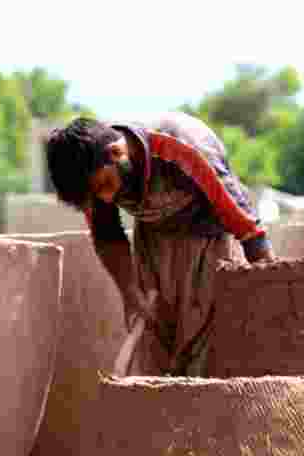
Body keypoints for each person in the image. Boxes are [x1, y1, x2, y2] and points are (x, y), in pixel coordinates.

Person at [46, 112, 275, 376]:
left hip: (208, 243)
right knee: (156, 346)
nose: (107, 199)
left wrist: (272, 291)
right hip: (153, 243)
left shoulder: (184, 146)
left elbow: (247, 227)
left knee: (208, 349)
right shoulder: (94, 176)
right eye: (97, 194)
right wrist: (130, 294)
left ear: (117, 152)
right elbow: (108, 238)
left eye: (106, 184)